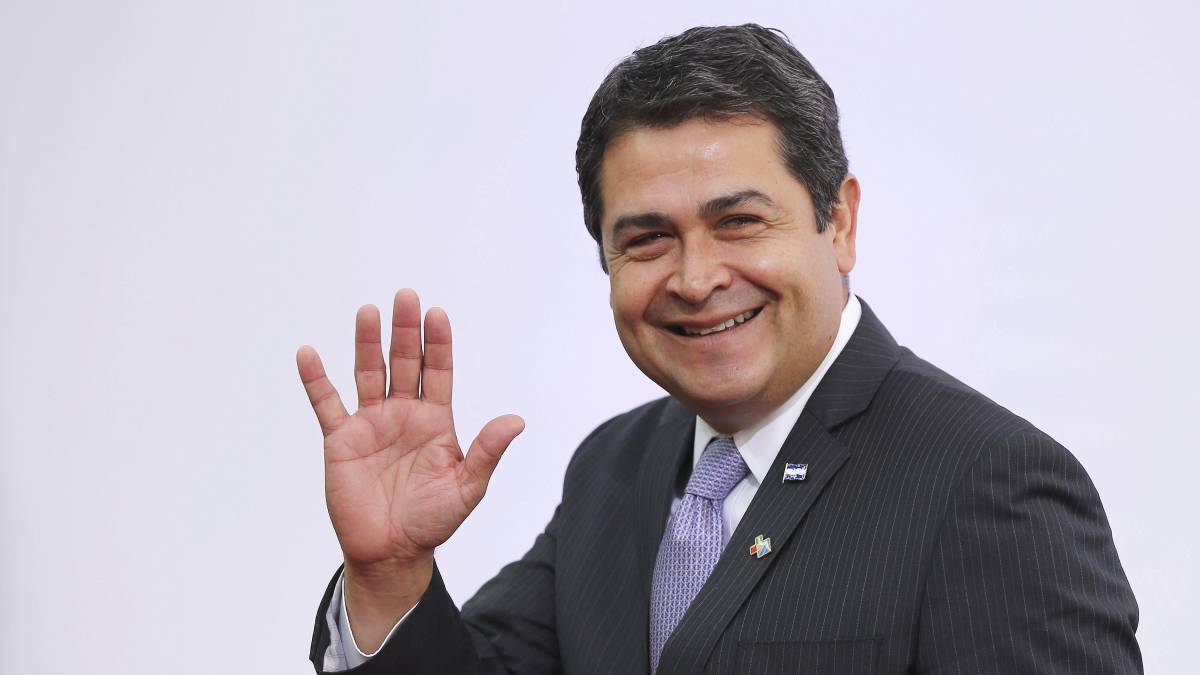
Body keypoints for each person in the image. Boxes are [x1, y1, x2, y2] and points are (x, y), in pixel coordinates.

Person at [298, 24, 1141, 674]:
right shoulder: (612, 469)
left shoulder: (988, 481)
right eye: (648, 239)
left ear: (839, 221)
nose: (697, 279)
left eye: (738, 221)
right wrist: (391, 573)